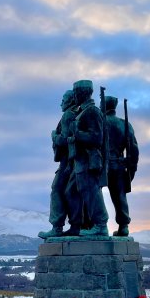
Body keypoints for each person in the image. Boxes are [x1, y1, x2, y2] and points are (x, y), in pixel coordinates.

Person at [63, 80, 109, 236]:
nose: (74, 96)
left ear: (82, 93)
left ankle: (101, 225)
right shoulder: (82, 112)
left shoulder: (92, 112)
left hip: (89, 160)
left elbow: (97, 138)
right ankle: (75, 226)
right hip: (79, 159)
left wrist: (77, 134)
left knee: (91, 191)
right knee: (70, 192)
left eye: (75, 93)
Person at [38, 90, 78, 239]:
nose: (61, 103)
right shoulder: (76, 114)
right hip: (72, 162)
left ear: (69, 101)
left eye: (63, 100)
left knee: (56, 190)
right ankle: (72, 225)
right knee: (70, 193)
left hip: (67, 162)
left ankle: (57, 227)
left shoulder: (68, 115)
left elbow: (65, 139)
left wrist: (54, 135)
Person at [104, 95, 139, 236]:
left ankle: (94, 224)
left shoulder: (100, 122)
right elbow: (134, 149)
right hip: (119, 165)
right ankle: (123, 226)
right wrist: (132, 168)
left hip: (101, 165)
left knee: (95, 195)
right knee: (119, 196)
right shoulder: (125, 124)